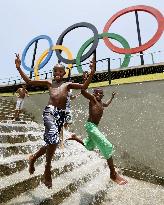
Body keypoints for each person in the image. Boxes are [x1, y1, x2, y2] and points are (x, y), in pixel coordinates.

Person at [14, 53, 95, 188]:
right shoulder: (49, 82)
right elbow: (29, 81)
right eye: (55, 71)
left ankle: (33, 158)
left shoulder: (68, 84)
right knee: (54, 140)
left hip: (61, 115)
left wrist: (92, 72)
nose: (57, 73)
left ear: (64, 73)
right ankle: (47, 168)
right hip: (50, 112)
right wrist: (18, 68)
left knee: (52, 142)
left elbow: (83, 86)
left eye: (60, 71)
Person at [68, 88, 128, 185]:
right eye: (97, 93)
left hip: (94, 127)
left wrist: (112, 97)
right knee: (107, 146)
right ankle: (113, 174)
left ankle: (75, 138)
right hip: (90, 126)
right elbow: (83, 92)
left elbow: (107, 104)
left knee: (89, 146)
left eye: (101, 94)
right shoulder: (93, 100)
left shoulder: (101, 103)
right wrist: (85, 80)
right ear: (93, 94)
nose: (99, 95)